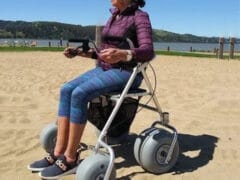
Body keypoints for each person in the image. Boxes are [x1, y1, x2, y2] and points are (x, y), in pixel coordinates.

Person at [28, 0, 154, 178]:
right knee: (66, 90)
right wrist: (79, 52)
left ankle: (70, 159)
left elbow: (148, 51)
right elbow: (101, 54)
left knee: (80, 93)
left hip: (127, 72)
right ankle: (58, 153)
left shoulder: (140, 17)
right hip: (103, 68)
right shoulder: (113, 17)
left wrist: (123, 54)